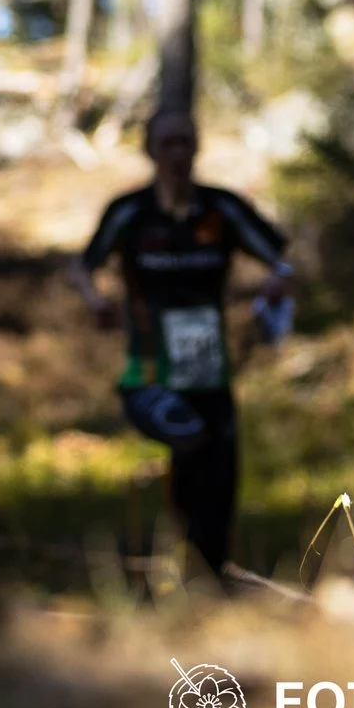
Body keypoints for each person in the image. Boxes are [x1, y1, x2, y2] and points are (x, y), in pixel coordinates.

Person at [69, 109, 294, 580]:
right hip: (148, 370)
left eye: (185, 142)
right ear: (151, 151)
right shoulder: (130, 213)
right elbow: (82, 266)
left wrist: (277, 286)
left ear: (197, 149)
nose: (177, 153)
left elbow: (283, 260)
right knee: (187, 438)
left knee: (221, 467)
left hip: (210, 369)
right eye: (167, 143)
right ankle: (152, 558)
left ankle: (209, 574)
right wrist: (95, 300)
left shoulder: (222, 209)